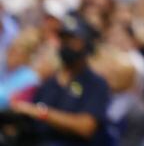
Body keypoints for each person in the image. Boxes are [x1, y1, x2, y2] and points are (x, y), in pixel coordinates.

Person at [9, 15, 112, 145]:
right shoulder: (49, 81)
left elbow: (85, 127)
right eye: (64, 40)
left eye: (73, 41)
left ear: (87, 45)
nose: (66, 45)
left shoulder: (96, 84)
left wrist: (43, 114)